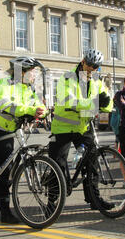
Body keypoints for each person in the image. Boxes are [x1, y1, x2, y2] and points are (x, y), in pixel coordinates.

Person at [0, 56, 47, 224]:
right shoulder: (4, 85)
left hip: (6, 130)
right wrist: (27, 110)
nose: (34, 75)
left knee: (6, 169)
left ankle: (4, 210)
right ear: (22, 72)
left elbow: (40, 105)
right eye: (32, 72)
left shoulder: (29, 90)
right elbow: (4, 104)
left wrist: (41, 112)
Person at [49, 48, 114, 209]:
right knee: (57, 165)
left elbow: (107, 102)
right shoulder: (67, 77)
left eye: (97, 67)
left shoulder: (96, 80)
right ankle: (52, 202)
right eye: (91, 65)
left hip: (82, 127)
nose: (93, 69)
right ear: (83, 61)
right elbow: (69, 101)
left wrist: (105, 103)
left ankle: (94, 199)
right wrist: (94, 104)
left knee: (92, 162)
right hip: (63, 127)